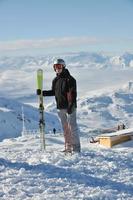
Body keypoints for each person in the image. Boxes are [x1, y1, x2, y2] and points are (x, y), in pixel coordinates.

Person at [37, 58, 81, 153]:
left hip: (70, 107)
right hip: (60, 107)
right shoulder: (55, 80)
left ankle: (76, 149)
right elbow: (54, 92)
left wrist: (71, 106)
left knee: (72, 128)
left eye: (59, 66)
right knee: (65, 129)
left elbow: (73, 94)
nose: (57, 68)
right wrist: (42, 93)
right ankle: (68, 148)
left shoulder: (70, 79)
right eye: (55, 66)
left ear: (63, 67)